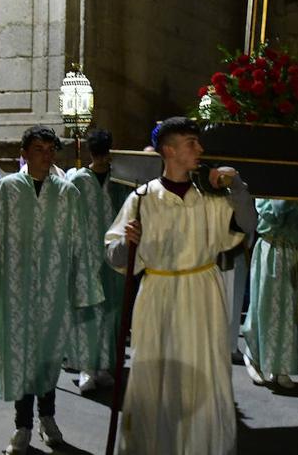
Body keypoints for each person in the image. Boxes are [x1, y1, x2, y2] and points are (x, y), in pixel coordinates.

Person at [104, 116, 256, 455]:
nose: (200, 149)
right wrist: (128, 244)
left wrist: (237, 186)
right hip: (158, 296)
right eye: (192, 143)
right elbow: (115, 258)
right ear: (169, 151)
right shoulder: (142, 199)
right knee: (155, 377)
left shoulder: (211, 196)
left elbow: (246, 224)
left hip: (203, 292)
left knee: (205, 373)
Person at [0, 125, 104, 454]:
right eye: (39, 149)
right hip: (15, 292)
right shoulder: (7, 190)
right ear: (24, 154)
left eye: (51, 149)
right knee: (19, 359)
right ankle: (22, 425)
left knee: (48, 356)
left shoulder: (68, 193)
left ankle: (48, 418)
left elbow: (79, 242)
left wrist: (82, 286)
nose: (46, 155)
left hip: (53, 293)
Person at [242, 198, 298, 388]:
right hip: (273, 249)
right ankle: (255, 357)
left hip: (296, 253)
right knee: (265, 307)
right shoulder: (273, 185)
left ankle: (282, 367)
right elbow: (271, 215)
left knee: (293, 313)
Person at [65, 129, 122, 393]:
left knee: (110, 311)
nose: (102, 158)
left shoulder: (119, 181)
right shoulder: (77, 180)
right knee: (87, 312)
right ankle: (86, 367)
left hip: (112, 257)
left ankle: (104, 365)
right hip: (85, 256)